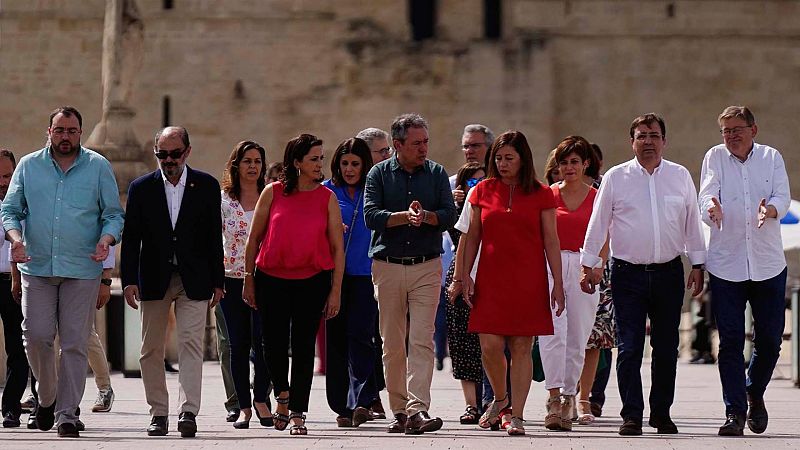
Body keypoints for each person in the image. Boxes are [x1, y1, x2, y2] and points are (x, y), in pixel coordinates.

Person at [1, 106, 124, 438]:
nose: (65, 136)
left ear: (80, 133)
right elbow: (10, 209)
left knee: (74, 343)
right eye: (60, 130)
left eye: (72, 131)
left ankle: (67, 413)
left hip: (82, 268)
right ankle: (48, 395)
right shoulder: (28, 166)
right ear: (49, 132)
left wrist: (106, 239)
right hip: (37, 266)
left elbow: (114, 214)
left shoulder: (98, 167)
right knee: (36, 336)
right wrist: (15, 239)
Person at [580, 113, 706, 436]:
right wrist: (589, 263)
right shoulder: (615, 177)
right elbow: (598, 222)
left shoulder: (679, 176)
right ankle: (632, 414)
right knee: (631, 346)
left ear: (664, 140)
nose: (647, 141)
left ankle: (661, 413)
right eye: (641, 136)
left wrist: (699, 264)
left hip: (669, 274)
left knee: (666, 347)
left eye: (653, 135)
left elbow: (692, 222)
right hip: (627, 275)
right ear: (631, 141)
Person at [121, 126, 224, 438]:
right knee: (150, 348)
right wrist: (128, 279)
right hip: (153, 277)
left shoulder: (206, 185)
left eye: (175, 153)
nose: (168, 160)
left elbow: (213, 239)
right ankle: (159, 413)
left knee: (191, 345)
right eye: (162, 154)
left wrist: (218, 281)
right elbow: (131, 238)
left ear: (187, 152)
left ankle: (188, 411)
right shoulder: (141, 188)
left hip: (194, 278)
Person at [459, 130, 564, 436]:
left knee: (521, 347)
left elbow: (552, 241)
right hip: (490, 279)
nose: (503, 164)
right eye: (499, 158)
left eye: (509, 158)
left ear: (523, 159)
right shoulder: (481, 191)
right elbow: (472, 237)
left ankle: (515, 415)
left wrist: (558, 283)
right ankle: (501, 399)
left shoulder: (542, 193)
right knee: (489, 346)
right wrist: (464, 275)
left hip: (527, 280)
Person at [242, 133, 344, 436]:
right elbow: (253, 239)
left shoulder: (327, 197)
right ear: (297, 162)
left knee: (302, 348)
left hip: (312, 281)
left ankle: (298, 411)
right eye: (313, 158)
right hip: (271, 279)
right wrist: (248, 279)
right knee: (272, 346)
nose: (319, 164)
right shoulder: (272, 192)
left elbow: (338, 248)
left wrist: (335, 290)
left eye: (321, 158)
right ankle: (282, 397)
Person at [698, 106, 791, 436]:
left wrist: (772, 208)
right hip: (727, 263)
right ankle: (734, 411)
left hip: (767, 263)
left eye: (738, 129)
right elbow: (706, 194)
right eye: (726, 131)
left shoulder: (771, 157)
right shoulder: (714, 157)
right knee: (731, 341)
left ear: (754, 129)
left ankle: (754, 390)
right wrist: (712, 207)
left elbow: (784, 194)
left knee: (769, 340)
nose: (732, 136)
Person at [364, 113, 457, 435]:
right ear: (398, 145)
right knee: (392, 343)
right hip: (387, 266)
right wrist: (403, 217)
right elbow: (370, 216)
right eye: (417, 143)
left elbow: (450, 215)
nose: (424, 149)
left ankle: (418, 409)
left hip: (426, 266)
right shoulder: (378, 174)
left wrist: (429, 217)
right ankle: (399, 410)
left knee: (421, 340)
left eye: (426, 142)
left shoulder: (436, 174)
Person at [538, 136, 604, 431]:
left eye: (574, 162)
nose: (569, 167)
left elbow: (605, 234)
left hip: (584, 265)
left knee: (578, 336)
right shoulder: (548, 194)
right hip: (551, 265)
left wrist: (597, 266)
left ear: (585, 163)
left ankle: (569, 397)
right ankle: (552, 398)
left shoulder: (597, 196)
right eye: (563, 162)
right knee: (551, 332)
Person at [323, 137, 379, 428]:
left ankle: (361, 399)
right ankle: (341, 404)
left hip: (365, 275)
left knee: (361, 336)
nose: (349, 169)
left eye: (355, 163)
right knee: (336, 340)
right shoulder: (326, 192)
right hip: (333, 276)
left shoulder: (374, 191)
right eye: (344, 163)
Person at [219, 141, 273, 429]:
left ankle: (262, 397)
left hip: (266, 279)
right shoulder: (224, 201)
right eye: (247, 161)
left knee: (264, 344)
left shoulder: (272, 196)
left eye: (257, 161)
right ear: (236, 165)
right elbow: (214, 242)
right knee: (237, 345)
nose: (252, 166)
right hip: (231, 278)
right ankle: (242, 406)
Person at [443, 162, 486, 425]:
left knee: (492, 343)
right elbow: (452, 233)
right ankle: (472, 405)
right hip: (460, 273)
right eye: (471, 183)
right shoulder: (457, 208)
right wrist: (454, 204)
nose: (477, 187)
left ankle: (497, 400)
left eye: (482, 181)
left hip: (491, 273)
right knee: (462, 343)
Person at [355, 126, 391, 419]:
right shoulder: (348, 186)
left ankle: (373, 393)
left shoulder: (389, 183)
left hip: (385, 270)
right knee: (362, 336)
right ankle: (366, 396)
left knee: (379, 338)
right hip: (354, 273)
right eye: (382, 151)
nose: (388, 155)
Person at [0, 149, 28, 429]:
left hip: (14, 279)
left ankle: (11, 408)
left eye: (7, 175)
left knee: (18, 347)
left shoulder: (24, 203)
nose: (2, 182)